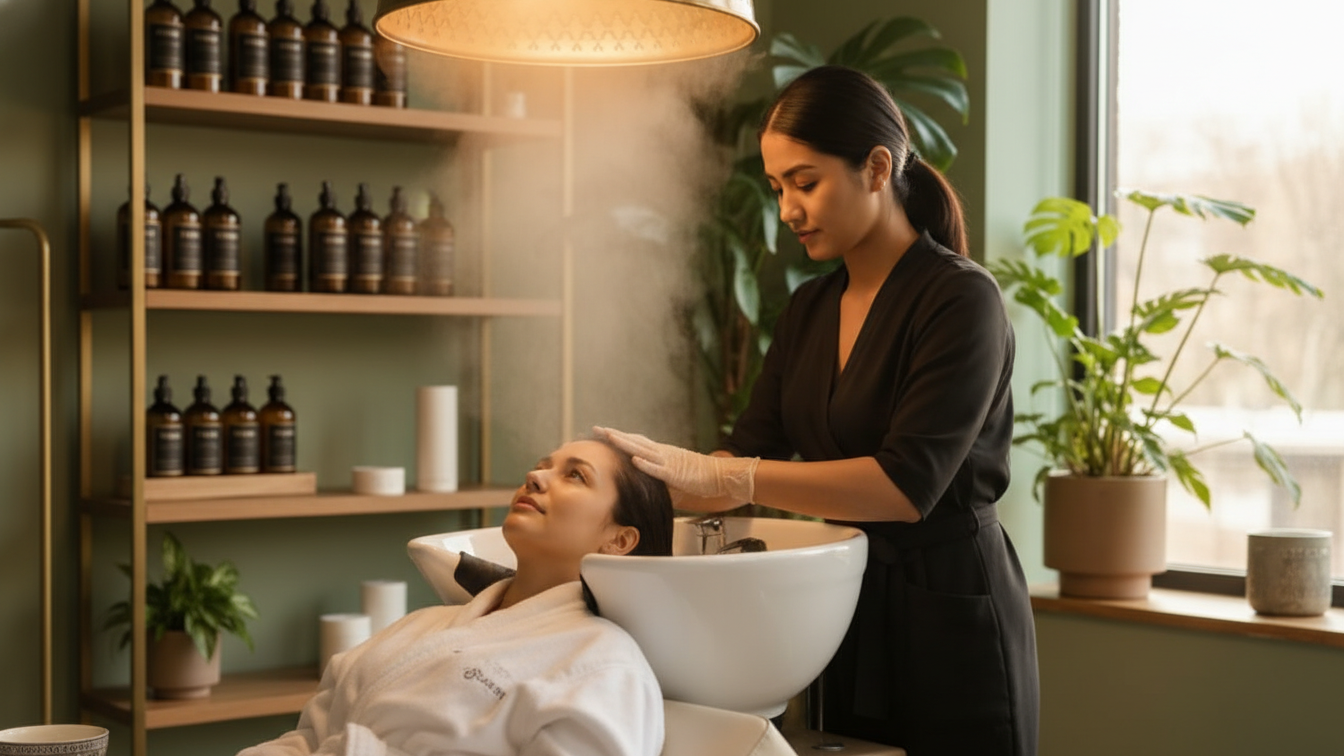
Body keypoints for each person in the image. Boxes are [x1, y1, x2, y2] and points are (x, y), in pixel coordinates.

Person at [599, 65, 1038, 755]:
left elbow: (904, 486)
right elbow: (749, 445)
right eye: (777, 189)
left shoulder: (960, 300)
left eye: (805, 183)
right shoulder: (809, 309)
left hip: (948, 613)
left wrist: (733, 477)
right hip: (840, 606)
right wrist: (641, 479)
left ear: (876, 168)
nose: (787, 211)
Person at [238, 438, 674, 756]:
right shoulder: (422, 626)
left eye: (574, 475)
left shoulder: (604, 667)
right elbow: (306, 739)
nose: (535, 476)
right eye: (543, 465)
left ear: (619, 540)